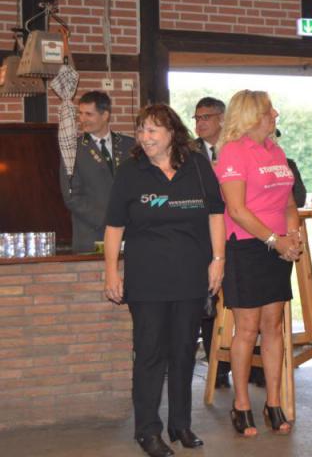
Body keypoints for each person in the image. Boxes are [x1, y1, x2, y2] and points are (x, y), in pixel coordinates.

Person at [104, 103, 225, 457]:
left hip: (191, 278)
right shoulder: (131, 171)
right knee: (150, 354)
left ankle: (180, 424)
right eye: (141, 130)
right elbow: (114, 226)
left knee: (184, 352)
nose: (145, 137)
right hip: (147, 281)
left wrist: (218, 261)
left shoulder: (197, 166)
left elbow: (216, 215)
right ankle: (147, 430)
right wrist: (111, 270)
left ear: (172, 133)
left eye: (153, 130)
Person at [214, 90, 300, 437]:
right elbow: (236, 209)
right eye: (268, 110)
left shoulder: (275, 151)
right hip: (247, 247)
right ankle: (242, 404)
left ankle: (273, 403)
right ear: (251, 116)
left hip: (277, 249)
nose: (275, 114)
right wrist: (275, 240)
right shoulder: (233, 151)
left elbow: (289, 203)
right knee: (247, 329)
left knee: (273, 327)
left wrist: (291, 236)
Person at [60, 90, 134, 252]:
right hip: (91, 236)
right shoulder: (73, 150)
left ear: (105, 115)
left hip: (131, 235)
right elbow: (72, 197)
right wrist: (110, 220)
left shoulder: (130, 145)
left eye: (89, 114)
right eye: (80, 113)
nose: (82, 119)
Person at [192, 96, 232, 389]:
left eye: (206, 117)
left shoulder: (236, 148)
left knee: (242, 303)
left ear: (222, 118)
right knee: (209, 302)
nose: (200, 123)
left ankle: (251, 366)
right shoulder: (188, 152)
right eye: (197, 118)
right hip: (202, 236)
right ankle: (216, 367)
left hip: (238, 233)